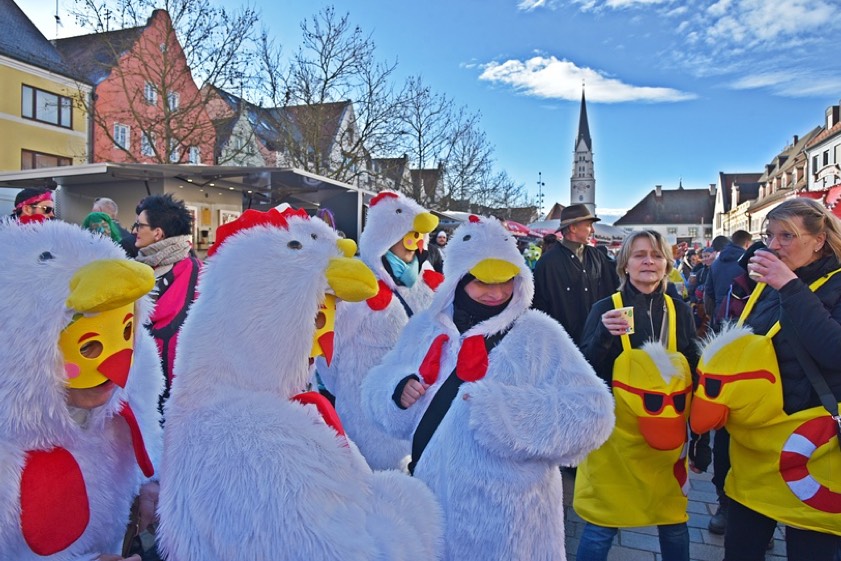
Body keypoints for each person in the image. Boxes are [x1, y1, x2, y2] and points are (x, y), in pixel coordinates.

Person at [363, 215, 615, 561]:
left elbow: (594, 410)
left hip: (511, 522)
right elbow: (376, 384)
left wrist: (506, 415)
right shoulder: (425, 328)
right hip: (432, 508)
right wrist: (397, 391)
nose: (497, 293)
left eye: (506, 281)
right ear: (459, 280)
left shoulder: (538, 333)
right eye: (484, 282)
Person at [0, 218, 163, 560]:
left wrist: (147, 486)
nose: (116, 371)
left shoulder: (126, 403)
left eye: (126, 335)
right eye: (88, 347)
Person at [721, 198, 841, 561]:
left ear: (819, 239)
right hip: (756, 447)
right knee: (741, 550)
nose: (773, 245)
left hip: (812, 445)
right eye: (769, 235)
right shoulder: (763, 284)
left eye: (786, 236)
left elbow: (834, 351)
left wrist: (790, 287)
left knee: (810, 549)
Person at [574, 229, 705, 561]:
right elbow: (584, 370)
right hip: (616, 440)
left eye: (657, 255)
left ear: (666, 264)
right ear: (625, 265)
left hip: (667, 440)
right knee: (602, 522)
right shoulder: (607, 308)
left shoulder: (680, 311)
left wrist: (701, 436)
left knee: (673, 521)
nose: (649, 261)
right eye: (639, 255)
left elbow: (693, 369)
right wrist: (604, 335)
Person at [317, 191, 441, 470]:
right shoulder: (360, 287)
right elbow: (329, 355)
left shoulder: (425, 283)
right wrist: (348, 392)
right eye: (408, 236)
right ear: (385, 237)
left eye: (418, 238)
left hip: (414, 412)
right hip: (365, 418)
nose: (415, 245)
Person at [132, 194, 201, 416]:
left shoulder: (196, 272)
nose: (134, 230)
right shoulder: (135, 270)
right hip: (140, 388)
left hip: (179, 393)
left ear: (158, 232)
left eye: (139, 225)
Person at [533, 204, 618, 346]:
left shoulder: (597, 256)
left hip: (596, 344)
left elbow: (615, 285)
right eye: (589, 225)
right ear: (573, 228)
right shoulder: (547, 264)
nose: (593, 230)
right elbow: (539, 308)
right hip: (563, 347)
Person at [705, 229, 752, 332]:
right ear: (747, 243)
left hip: (719, 313)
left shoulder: (716, 263)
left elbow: (709, 291)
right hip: (743, 315)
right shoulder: (749, 263)